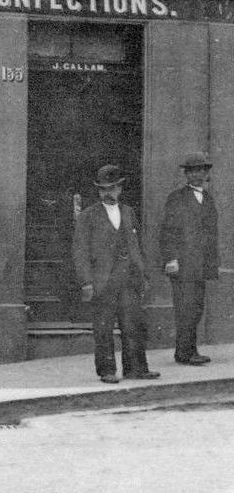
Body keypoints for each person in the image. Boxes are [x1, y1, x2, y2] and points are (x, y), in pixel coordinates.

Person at [74, 164, 159, 384]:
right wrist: (86, 282)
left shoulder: (129, 212)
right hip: (103, 281)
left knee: (133, 325)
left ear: (120, 188)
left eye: (112, 188)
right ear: (98, 191)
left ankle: (137, 369)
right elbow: (80, 252)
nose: (107, 193)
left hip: (129, 279)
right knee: (103, 327)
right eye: (103, 189)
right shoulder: (87, 216)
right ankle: (107, 370)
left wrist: (143, 275)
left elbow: (137, 246)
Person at [161, 151, 219, 366]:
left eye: (201, 171)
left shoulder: (208, 199)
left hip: (200, 265)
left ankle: (190, 349)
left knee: (196, 308)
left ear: (206, 173)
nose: (197, 175)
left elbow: (212, 234)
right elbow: (168, 231)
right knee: (185, 309)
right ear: (186, 174)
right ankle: (184, 353)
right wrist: (171, 259)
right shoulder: (177, 198)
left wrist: (211, 264)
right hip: (182, 265)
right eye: (192, 171)